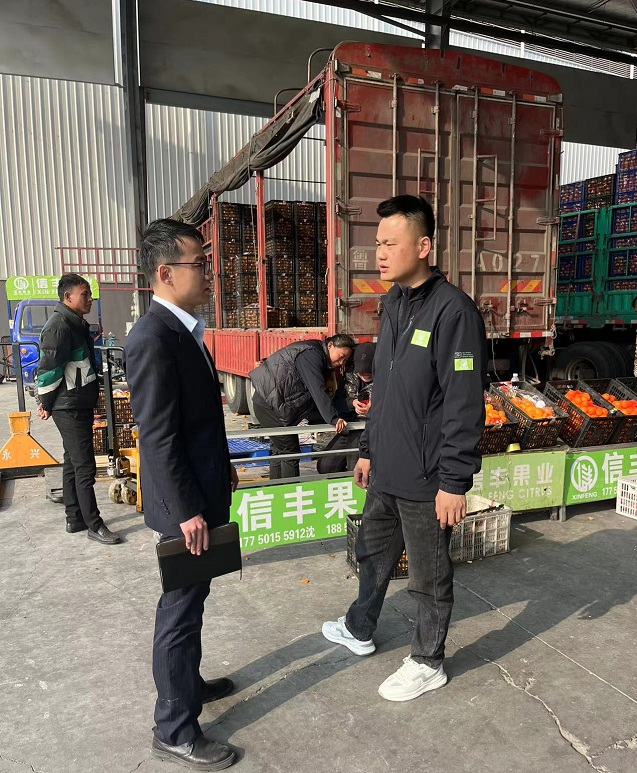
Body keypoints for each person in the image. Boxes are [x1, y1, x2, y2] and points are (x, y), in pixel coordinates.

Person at [322, 195, 487, 702]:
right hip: (388, 466)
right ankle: (360, 627)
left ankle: (428, 660)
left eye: (391, 243)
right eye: (377, 243)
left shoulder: (453, 311)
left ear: (423, 246)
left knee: (428, 575)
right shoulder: (392, 303)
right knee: (372, 553)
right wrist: (368, 448)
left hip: (427, 475)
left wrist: (454, 481)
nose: (380, 253)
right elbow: (386, 390)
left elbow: (463, 403)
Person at [125, 219, 238, 770]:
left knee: (193, 602)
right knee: (180, 611)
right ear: (166, 273)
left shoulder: (184, 330)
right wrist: (187, 508)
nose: (209, 273)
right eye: (200, 263)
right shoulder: (152, 338)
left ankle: (187, 685)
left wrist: (223, 467)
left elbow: (196, 421)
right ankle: (173, 728)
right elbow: (158, 435)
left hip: (201, 489)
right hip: (184, 508)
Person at [36, 273, 121, 545]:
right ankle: (94, 525)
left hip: (77, 402)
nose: (90, 299)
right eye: (85, 294)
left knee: (72, 462)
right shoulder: (59, 326)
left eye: (90, 294)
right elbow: (49, 370)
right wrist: (44, 402)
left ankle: (74, 518)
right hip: (69, 405)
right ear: (68, 297)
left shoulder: (73, 323)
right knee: (85, 466)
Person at [248, 334, 355, 479]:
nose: (341, 362)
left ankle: (275, 487)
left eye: (345, 360)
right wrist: (333, 418)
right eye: (341, 356)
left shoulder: (314, 352)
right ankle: (289, 490)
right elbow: (317, 390)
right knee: (289, 453)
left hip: (272, 404)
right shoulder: (312, 355)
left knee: (279, 451)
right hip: (271, 405)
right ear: (330, 346)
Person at [317, 342, 375, 474]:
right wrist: (352, 403)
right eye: (361, 371)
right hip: (349, 425)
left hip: (370, 429)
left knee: (354, 466)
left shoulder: (387, 379)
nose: (364, 374)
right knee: (326, 466)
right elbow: (337, 402)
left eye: (369, 371)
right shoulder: (350, 377)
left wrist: (372, 410)